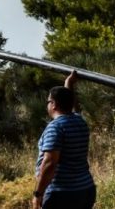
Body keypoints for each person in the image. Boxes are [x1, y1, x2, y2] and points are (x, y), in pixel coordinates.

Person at [33, 73, 96, 209]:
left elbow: (50, 163)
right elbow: (72, 107)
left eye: (48, 101)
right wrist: (69, 83)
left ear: (54, 104)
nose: (47, 104)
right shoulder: (79, 121)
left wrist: (38, 193)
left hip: (62, 194)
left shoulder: (55, 127)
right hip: (85, 190)